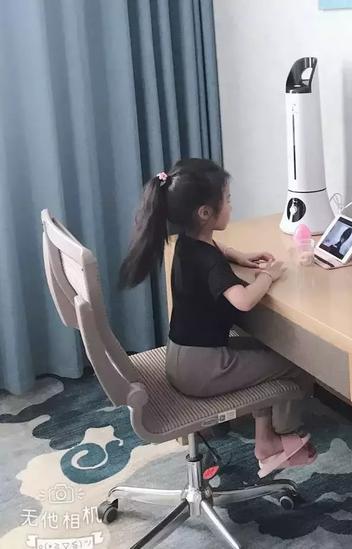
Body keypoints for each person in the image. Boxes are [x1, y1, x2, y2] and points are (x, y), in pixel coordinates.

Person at [119, 158, 316, 477]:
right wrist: (268, 276)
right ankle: (274, 443)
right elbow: (243, 301)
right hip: (205, 370)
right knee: (296, 363)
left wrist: (241, 256)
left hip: (180, 358)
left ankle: (265, 438)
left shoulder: (186, 242)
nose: (231, 206)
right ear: (205, 213)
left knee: (264, 351)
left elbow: (214, 249)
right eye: (228, 200)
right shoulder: (210, 263)